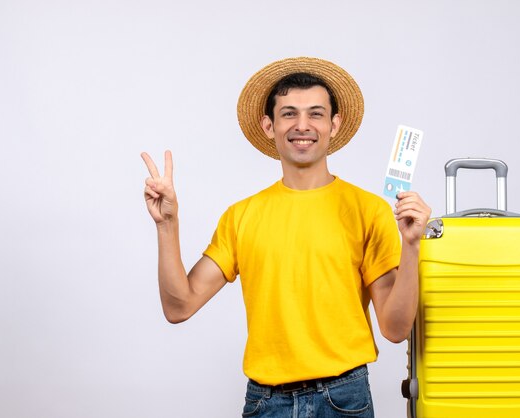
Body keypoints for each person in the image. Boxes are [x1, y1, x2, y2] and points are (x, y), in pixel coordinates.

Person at [141, 57, 431, 418]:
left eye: (316, 114)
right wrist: (167, 225)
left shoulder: (368, 210)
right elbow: (178, 307)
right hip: (266, 403)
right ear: (269, 125)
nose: (303, 125)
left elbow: (395, 328)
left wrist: (412, 245)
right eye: (289, 113)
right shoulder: (241, 216)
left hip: (345, 399)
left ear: (334, 124)